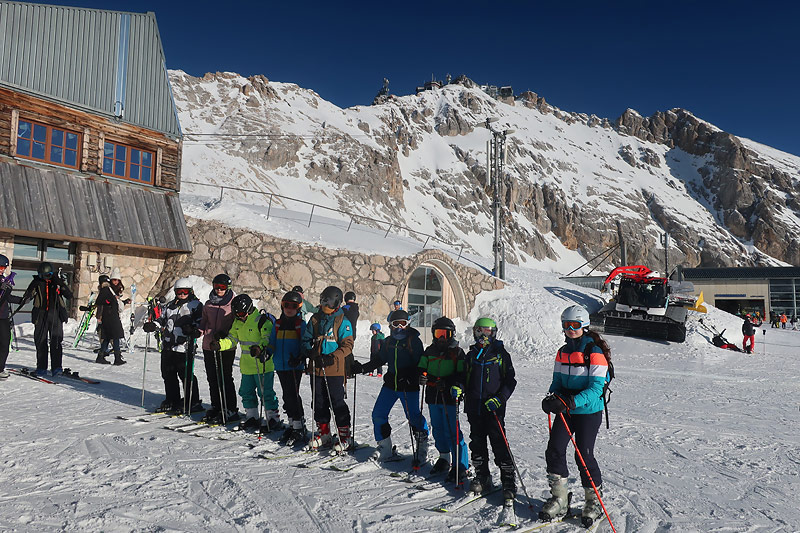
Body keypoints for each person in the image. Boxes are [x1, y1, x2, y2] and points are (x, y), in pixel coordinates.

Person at [540, 305, 610, 524]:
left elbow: (597, 387)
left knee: (584, 454)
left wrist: (572, 401)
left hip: (588, 411)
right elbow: (557, 381)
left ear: (584, 326)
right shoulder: (562, 352)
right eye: (566, 325)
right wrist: (552, 397)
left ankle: (593, 501)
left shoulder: (594, 352)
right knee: (554, 450)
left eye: (575, 325)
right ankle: (560, 498)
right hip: (566, 410)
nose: (570, 329)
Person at [353, 309, 429, 464]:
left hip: (408, 386)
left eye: (403, 323)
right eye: (396, 324)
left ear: (408, 324)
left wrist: (412, 376)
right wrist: (362, 368)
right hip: (390, 385)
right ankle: (385, 447)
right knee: (378, 414)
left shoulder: (413, 340)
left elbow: (421, 363)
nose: (399, 327)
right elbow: (379, 360)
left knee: (413, 417)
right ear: (390, 325)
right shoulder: (389, 341)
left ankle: (422, 446)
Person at [460, 317, 516, 498]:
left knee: (499, 442)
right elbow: (462, 377)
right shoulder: (471, 355)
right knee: (477, 442)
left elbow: (510, 381)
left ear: (493, 334)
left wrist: (500, 399)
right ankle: (482, 476)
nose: (483, 336)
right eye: (479, 332)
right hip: (474, 406)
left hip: (493, 409)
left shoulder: (500, 355)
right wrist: (458, 387)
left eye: (487, 332)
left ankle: (508, 478)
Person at [211, 294, 277, 431]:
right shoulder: (238, 323)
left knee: (266, 393)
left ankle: (272, 418)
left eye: (241, 313)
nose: (239, 316)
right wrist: (220, 345)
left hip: (262, 364)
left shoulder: (261, 320)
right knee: (246, 392)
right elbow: (232, 339)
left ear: (248, 309)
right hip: (246, 366)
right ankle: (252, 416)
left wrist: (260, 348)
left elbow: (267, 338)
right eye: (236, 314)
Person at [300, 286, 355, 452]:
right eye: (323, 300)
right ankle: (324, 433)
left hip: (334, 369)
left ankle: (344, 435)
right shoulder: (316, 319)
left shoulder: (342, 321)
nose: (325, 303)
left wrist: (332, 357)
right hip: (317, 367)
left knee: (336, 401)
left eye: (329, 301)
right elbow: (306, 339)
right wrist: (309, 351)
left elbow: (348, 345)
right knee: (318, 401)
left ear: (337, 302)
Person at [418, 316, 468, 478]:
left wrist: (448, 383)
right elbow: (421, 368)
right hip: (433, 397)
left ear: (452, 335)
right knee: (438, 429)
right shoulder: (429, 351)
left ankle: (461, 464)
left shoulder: (457, 352)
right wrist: (423, 377)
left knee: (452, 431)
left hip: (449, 398)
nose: (441, 338)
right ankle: (444, 457)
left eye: (445, 334)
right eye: (439, 333)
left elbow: (462, 375)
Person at [143, 278, 203, 413]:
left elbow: (201, 322)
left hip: (184, 347)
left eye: (185, 291)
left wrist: (193, 330)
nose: (182, 294)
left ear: (190, 291)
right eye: (179, 291)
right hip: (168, 346)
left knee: (186, 375)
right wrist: (153, 325)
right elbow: (161, 320)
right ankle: (172, 399)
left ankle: (192, 401)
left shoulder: (195, 305)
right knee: (168, 373)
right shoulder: (170, 305)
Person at [268, 290, 308, 445]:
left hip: (294, 366)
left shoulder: (300, 324)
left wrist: (299, 358)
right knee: (286, 396)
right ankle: (292, 425)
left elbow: (304, 344)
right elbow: (272, 342)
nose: (289, 309)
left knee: (293, 395)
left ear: (298, 308)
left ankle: (299, 426)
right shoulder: (277, 324)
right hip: (280, 364)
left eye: (293, 306)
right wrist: (267, 352)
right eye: (286, 305)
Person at [199, 274, 239, 423]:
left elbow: (236, 324)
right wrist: (197, 331)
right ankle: (216, 406)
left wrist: (226, 333)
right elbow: (203, 323)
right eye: (216, 287)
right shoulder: (208, 304)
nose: (219, 290)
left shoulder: (233, 304)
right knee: (212, 378)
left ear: (228, 287)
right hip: (209, 345)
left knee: (225, 377)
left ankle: (230, 408)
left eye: (222, 287)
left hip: (225, 346)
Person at [23, 262, 72, 376]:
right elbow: (28, 295)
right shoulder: (37, 282)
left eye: (48, 275)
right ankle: (41, 367)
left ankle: (57, 367)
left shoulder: (57, 282)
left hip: (56, 314)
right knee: (41, 341)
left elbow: (69, 295)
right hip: (41, 314)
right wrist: (27, 297)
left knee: (56, 342)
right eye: (42, 276)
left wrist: (60, 283)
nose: (45, 278)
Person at [95, 272, 129, 365]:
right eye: (114, 280)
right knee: (115, 336)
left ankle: (100, 356)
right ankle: (117, 358)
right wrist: (109, 300)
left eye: (118, 280)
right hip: (110, 317)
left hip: (111, 315)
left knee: (107, 337)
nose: (116, 282)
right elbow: (99, 301)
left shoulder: (111, 290)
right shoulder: (106, 289)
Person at [0, 255, 24, 379]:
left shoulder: (3, 280)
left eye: (4, 267)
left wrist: (22, 300)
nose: (2, 269)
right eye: (0, 267)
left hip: (3, 317)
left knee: (4, 343)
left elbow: (7, 297)